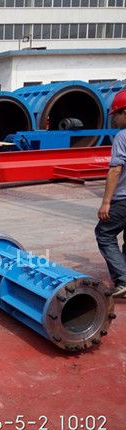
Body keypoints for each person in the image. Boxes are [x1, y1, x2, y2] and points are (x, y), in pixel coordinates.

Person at [95, 90, 126, 298]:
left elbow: (115, 170)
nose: (113, 119)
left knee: (104, 234)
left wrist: (106, 202)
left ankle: (123, 279)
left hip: (123, 199)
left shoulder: (122, 136)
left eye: (116, 114)